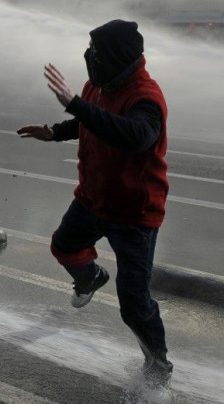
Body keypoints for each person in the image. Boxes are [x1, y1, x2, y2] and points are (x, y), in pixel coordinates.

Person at [16, 20, 173, 388]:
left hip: (134, 214)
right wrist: (56, 131)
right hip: (92, 199)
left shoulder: (146, 97)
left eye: (97, 51)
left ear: (118, 55)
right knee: (64, 246)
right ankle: (92, 276)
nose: (90, 57)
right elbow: (89, 120)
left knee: (134, 305)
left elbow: (134, 136)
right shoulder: (98, 84)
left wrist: (74, 104)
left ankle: (158, 365)